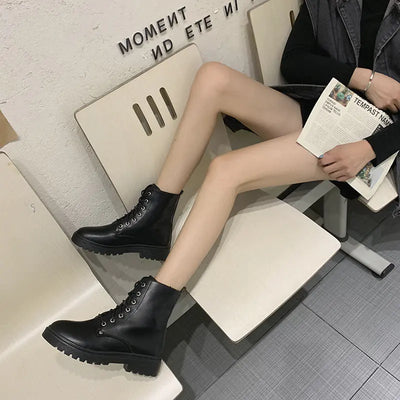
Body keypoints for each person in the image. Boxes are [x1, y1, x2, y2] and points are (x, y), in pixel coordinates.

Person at [42, 0, 400, 377]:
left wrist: (369, 148)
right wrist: (365, 79)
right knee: (213, 77)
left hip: (372, 142)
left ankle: (143, 324)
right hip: (328, 110)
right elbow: (294, 62)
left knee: (227, 170)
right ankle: (155, 216)